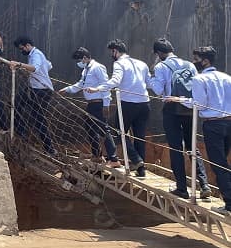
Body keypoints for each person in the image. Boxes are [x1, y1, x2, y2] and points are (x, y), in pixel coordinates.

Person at [148, 38, 211, 199]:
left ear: (159, 53)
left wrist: (150, 78)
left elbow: (158, 90)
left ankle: (182, 188)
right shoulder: (189, 65)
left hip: (172, 108)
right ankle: (204, 185)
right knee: (192, 147)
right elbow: (197, 85)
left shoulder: (161, 66)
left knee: (176, 148)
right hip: (190, 108)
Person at [88, 39, 150, 177]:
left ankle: (136, 159)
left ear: (115, 51)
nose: (112, 54)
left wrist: (98, 88)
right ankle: (141, 169)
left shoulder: (119, 63)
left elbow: (115, 81)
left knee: (118, 132)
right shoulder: (142, 63)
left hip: (128, 103)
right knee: (139, 137)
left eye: (112, 51)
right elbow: (149, 83)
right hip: (145, 103)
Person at [189, 46, 231, 215]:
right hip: (229, 122)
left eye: (196, 58)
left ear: (205, 61)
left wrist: (180, 100)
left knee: (218, 164)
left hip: (213, 124)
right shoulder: (227, 78)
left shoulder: (199, 79)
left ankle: (229, 204)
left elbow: (200, 104)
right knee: (224, 164)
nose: (194, 62)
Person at [60, 47, 120, 167]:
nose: (78, 63)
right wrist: (67, 89)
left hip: (98, 103)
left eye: (79, 60)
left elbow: (106, 85)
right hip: (91, 104)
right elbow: (80, 84)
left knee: (103, 129)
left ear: (85, 58)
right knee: (90, 128)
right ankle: (97, 155)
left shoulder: (98, 67)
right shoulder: (86, 70)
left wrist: (106, 104)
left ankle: (114, 159)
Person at [10, 37, 56, 155]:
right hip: (34, 89)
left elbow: (35, 68)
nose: (22, 51)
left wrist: (19, 64)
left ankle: (49, 148)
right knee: (17, 103)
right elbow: (49, 65)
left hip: (41, 91)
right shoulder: (36, 54)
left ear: (28, 45)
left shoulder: (36, 54)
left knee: (39, 119)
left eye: (22, 48)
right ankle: (21, 133)